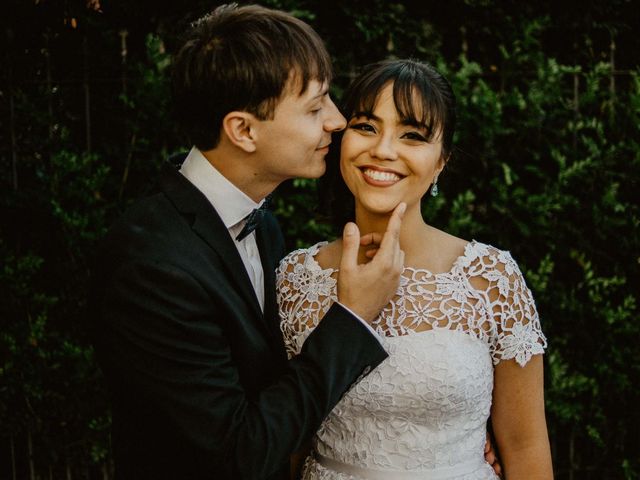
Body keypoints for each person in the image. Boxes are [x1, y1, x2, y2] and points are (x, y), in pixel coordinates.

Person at [91, 5, 407, 479]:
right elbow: (238, 453)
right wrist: (353, 317)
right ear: (243, 130)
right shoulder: (153, 267)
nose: (337, 121)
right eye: (315, 106)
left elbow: (275, 391)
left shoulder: (260, 225)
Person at [277, 59, 553, 479]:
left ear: (441, 161)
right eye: (366, 126)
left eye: (412, 135)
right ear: (341, 138)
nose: (383, 149)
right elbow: (286, 446)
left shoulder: (491, 279)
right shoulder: (294, 280)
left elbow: (526, 445)